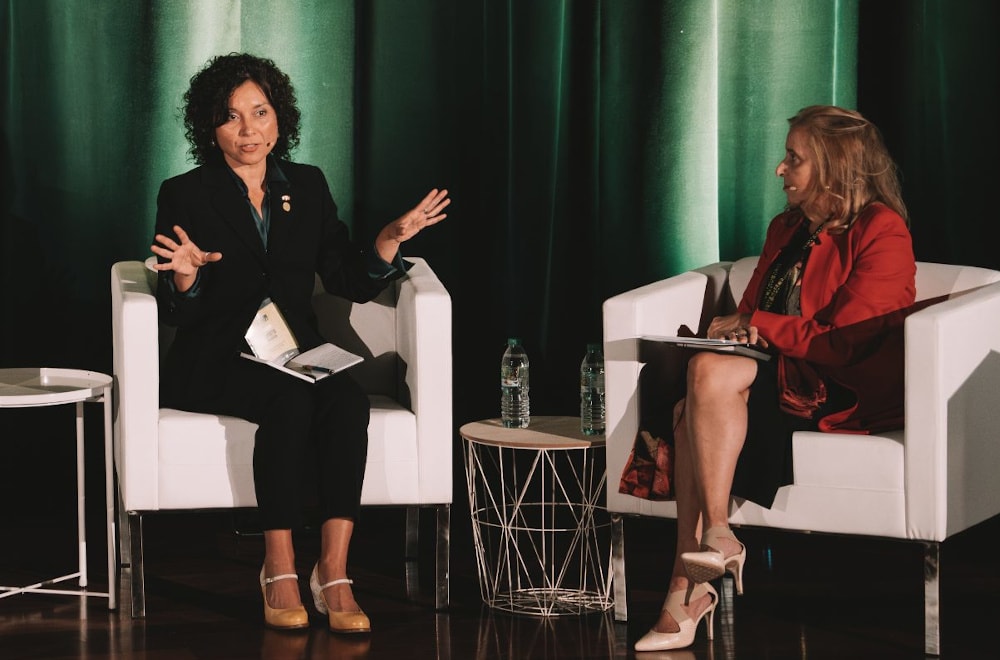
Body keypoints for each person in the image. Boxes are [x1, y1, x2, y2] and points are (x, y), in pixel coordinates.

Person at [149, 52, 450, 633]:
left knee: (347, 400)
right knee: (287, 402)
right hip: (215, 355)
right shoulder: (184, 193)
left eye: (259, 113)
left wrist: (389, 238)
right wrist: (185, 276)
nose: (247, 130)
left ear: (278, 119)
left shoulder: (306, 185)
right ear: (209, 129)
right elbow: (178, 310)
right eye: (231, 118)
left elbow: (344, 278)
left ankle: (333, 572)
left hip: (292, 350)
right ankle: (279, 566)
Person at [634, 105, 916, 652]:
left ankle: (686, 588)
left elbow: (843, 342)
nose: (780, 170)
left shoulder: (883, 231)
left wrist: (755, 326)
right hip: (776, 370)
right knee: (701, 376)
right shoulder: (785, 227)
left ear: (836, 167)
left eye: (794, 159)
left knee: (689, 406)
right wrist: (740, 331)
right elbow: (752, 309)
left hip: (838, 385)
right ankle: (715, 542)